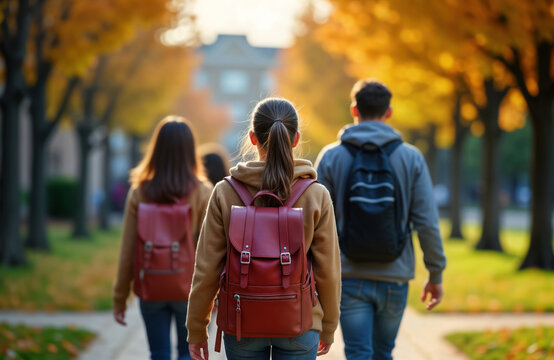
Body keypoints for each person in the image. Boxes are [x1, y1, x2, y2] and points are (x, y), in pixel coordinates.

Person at [186, 97, 341, 360]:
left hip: (242, 320)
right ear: (296, 139)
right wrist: (328, 326)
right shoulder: (316, 194)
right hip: (300, 322)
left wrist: (197, 329)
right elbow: (328, 270)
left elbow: (206, 269)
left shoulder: (225, 192)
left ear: (252, 137)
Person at [315, 79, 447, 360]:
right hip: (395, 274)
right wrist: (435, 273)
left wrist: (314, 275)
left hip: (348, 275)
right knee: (383, 353)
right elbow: (426, 222)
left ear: (354, 110)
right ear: (389, 112)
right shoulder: (411, 158)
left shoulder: (331, 157)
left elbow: (315, 225)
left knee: (358, 352)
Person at [113, 116, 213, 360]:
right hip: (189, 289)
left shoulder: (140, 192)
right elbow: (210, 252)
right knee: (187, 353)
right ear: (191, 151)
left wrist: (120, 296)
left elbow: (128, 251)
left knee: (158, 353)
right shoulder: (203, 192)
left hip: (151, 285)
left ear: (156, 149)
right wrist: (214, 295)